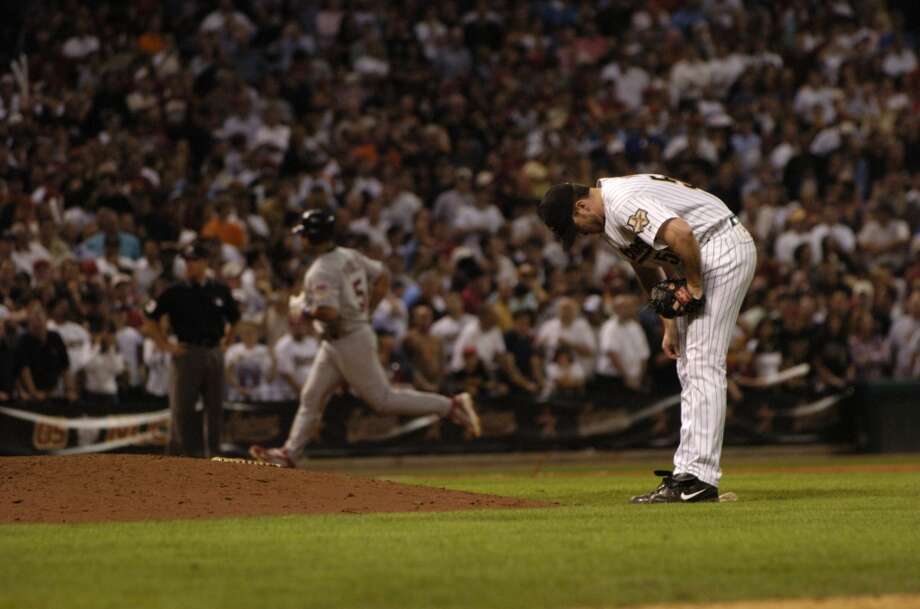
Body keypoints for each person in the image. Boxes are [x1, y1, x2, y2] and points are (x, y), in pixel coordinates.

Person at [539, 174, 757, 503]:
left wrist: (694, 285)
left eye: (576, 225)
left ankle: (698, 477)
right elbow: (643, 264)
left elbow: (681, 233)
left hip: (717, 245)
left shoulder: (622, 202)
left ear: (582, 206)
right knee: (690, 363)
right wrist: (668, 322)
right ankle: (689, 472)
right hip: (702, 252)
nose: (581, 234)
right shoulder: (609, 217)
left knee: (702, 362)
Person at [249, 209, 480, 468]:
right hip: (338, 340)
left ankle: (450, 405)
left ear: (313, 236)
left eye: (303, 234)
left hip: (348, 338)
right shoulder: (349, 255)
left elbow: (330, 312)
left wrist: (302, 310)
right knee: (311, 396)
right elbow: (382, 276)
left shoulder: (321, 270)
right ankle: (290, 453)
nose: (300, 239)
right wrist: (367, 311)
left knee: (383, 400)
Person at [142, 242, 241, 458]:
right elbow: (150, 316)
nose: (189, 265)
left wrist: (226, 344)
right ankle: (179, 458)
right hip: (187, 352)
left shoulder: (220, 290)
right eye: (186, 261)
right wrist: (165, 345)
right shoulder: (175, 291)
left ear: (205, 262)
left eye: (194, 261)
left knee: (214, 408)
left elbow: (235, 318)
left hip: (213, 351)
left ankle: (213, 454)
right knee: (182, 409)